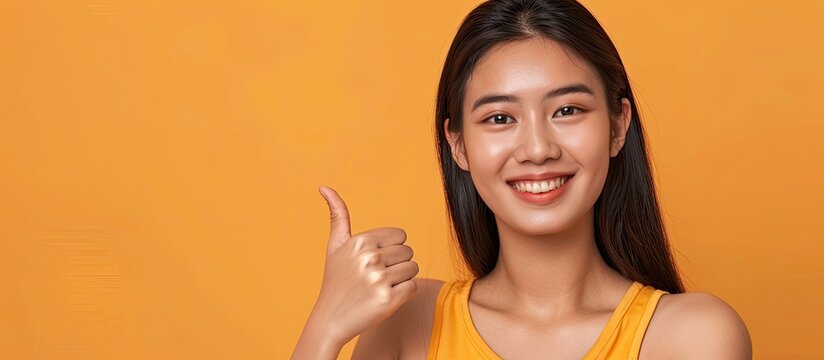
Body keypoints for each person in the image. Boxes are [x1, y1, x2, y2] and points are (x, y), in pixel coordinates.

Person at [292, 0, 752, 359]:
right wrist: (325, 326)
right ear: (458, 146)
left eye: (567, 110)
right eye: (498, 118)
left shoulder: (692, 335)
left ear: (617, 126)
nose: (537, 149)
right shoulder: (406, 319)